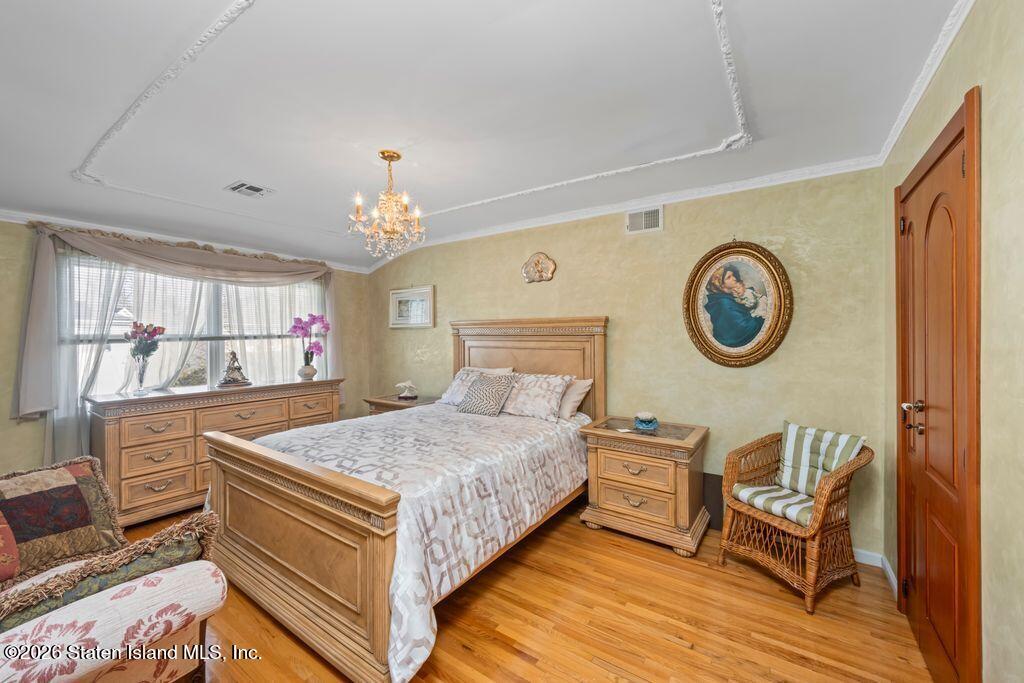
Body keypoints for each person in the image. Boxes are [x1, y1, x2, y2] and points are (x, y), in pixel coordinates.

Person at [703, 264, 766, 348]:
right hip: (734, 343)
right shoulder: (723, 303)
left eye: (733, 275)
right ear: (720, 284)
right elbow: (746, 328)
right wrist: (763, 318)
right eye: (729, 277)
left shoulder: (731, 296)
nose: (734, 279)